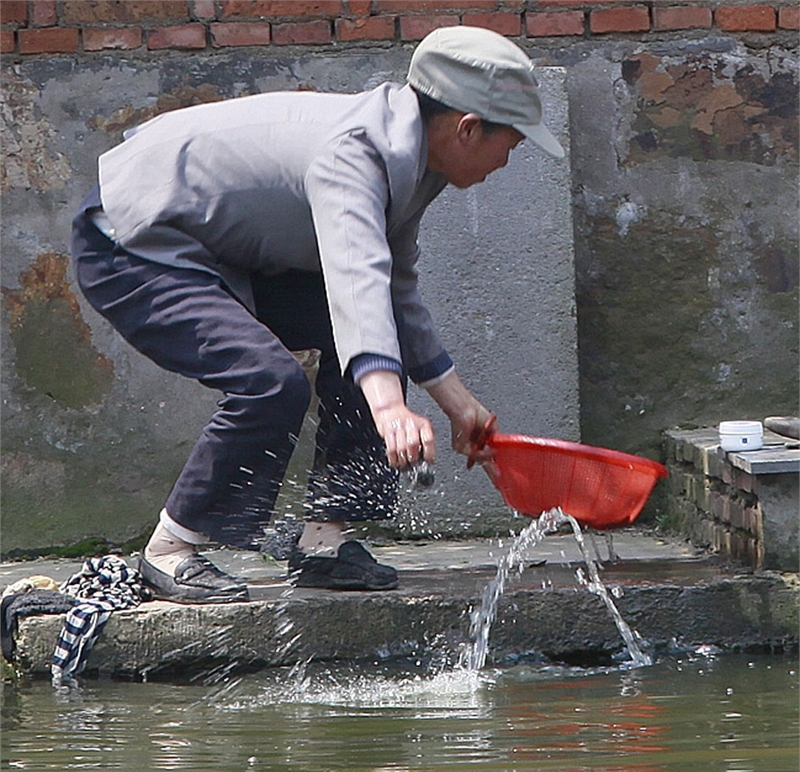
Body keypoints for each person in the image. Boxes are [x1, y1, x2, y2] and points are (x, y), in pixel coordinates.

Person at [71, 26, 564, 603]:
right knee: (269, 380)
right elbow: (355, 282)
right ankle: (171, 550)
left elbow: (392, 289)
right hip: (132, 242)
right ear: (468, 128)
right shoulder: (354, 154)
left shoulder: (417, 164)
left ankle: (324, 542)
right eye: (514, 142)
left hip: (219, 251)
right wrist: (389, 408)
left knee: (371, 338)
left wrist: (460, 406)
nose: (509, 160)